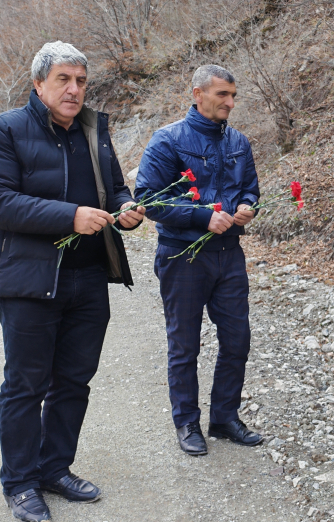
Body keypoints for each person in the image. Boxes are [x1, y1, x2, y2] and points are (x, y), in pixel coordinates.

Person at [0, 41, 145, 522]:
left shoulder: (93, 129)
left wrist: (127, 208)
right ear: (38, 84)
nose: (74, 90)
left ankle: (54, 468)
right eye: (64, 80)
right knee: (26, 385)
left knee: (74, 380)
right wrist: (70, 216)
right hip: (28, 283)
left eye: (81, 81)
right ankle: (21, 483)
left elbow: (116, 185)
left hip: (88, 276)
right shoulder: (0, 131)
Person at [135, 64, 263, 456]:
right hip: (182, 256)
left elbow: (251, 190)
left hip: (229, 255)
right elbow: (149, 199)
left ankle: (224, 418)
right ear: (198, 93)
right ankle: (187, 422)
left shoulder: (239, 141)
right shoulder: (167, 140)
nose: (230, 102)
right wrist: (203, 216)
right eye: (222, 94)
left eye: (233, 95)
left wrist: (247, 207)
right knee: (184, 344)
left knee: (238, 338)